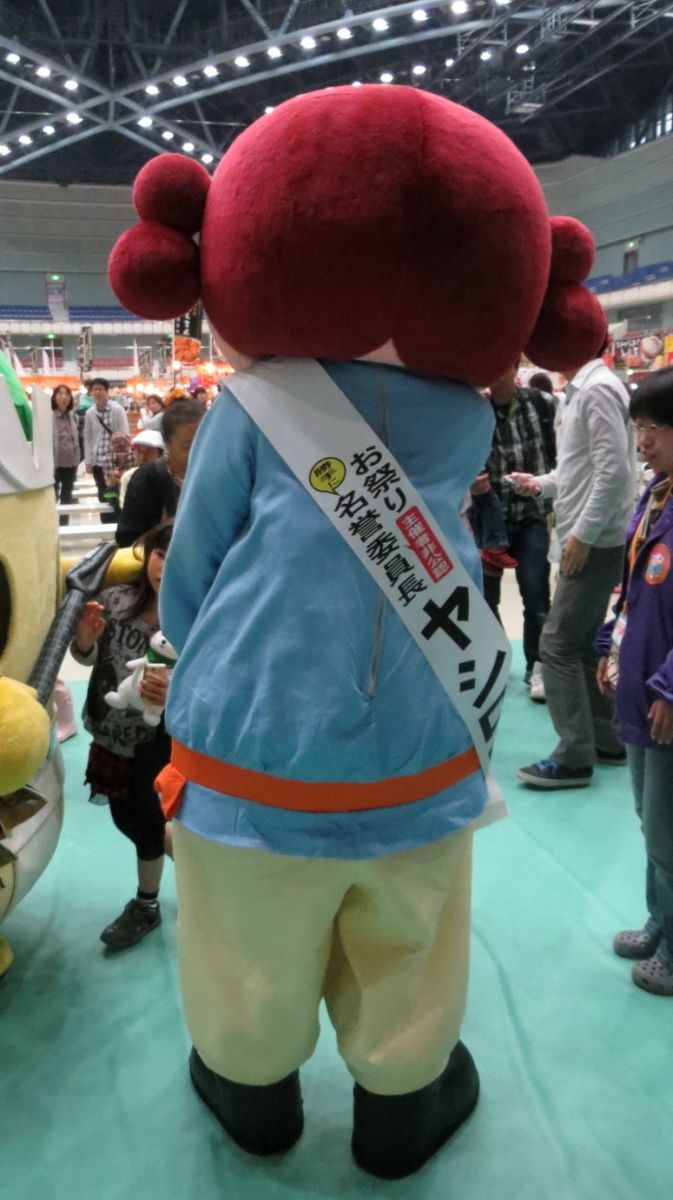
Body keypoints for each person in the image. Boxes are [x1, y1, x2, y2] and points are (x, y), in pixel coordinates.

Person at [109, 88, 606, 1178]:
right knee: (410, 933)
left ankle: (251, 1087)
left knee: (246, 937)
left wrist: (211, 665)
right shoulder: (465, 416)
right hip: (421, 738)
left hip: (257, 743)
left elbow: (194, 578)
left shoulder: (248, 409)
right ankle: (402, 1099)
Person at [513, 344, 636, 788]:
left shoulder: (596, 390)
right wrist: (539, 485)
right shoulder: (582, 390)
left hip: (594, 540)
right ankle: (606, 738)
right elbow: (580, 471)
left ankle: (574, 756)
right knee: (581, 644)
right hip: (591, 535)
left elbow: (613, 473)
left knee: (557, 644)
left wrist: (583, 534)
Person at [595, 368, 673, 996]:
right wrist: (609, 644)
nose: (641, 442)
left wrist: (671, 687)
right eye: (638, 428)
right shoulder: (655, 497)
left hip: (666, 697)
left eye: (653, 429)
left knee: (669, 828)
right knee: (651, 821)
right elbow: (630, 586)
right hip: (639, 685)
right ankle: (659, 921)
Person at [70, 523, 173, 952]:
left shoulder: (195, 618)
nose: (165, 567)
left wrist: (171, 694)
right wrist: (84, 641)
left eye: (178, 558)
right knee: (125, 817)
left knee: (146, 822)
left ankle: (147, 904)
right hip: (108, 731)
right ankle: (189, 857)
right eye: (161, 555)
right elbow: (88, 658)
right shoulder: (116, 600)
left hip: (156, 742)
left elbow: (211, 683)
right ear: (148, 555)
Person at [479, 362, 557, 702]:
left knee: (536, 593)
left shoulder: (541, 404)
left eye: (503, 368)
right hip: (488, 520)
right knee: (486, 598)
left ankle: (537, 667)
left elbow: (563, 452)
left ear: (515, 369)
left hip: (531, 515)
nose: (496, 376)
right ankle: (494, 662)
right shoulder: (477, 410)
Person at [116, 398, 204, 546]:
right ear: (167, 443)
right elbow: (127, 540)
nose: (200, 451)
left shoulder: (221, 476)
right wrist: (162, 533)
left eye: (206, 442)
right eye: (188, 446)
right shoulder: (147, 480)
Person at [83, 377, 129, 523]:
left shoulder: (117, 409)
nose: (97, 392)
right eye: (94, 389)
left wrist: (124, 457)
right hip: (98, 461)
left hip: (114, 460)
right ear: (91, 392)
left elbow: (124, 432)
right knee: (103, 493)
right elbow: (88, 438)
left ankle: (119, 523)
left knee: (117, 491)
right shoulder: (90, 413)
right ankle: (106, 524)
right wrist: (89, 461)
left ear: (107, 391)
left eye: (100, 389)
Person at [51, 384, 80, 524]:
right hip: (54, 463)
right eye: (60, 394)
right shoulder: (49, 416)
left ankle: (64, 524)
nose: (64, 397)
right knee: (52, 495)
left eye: (67, 394)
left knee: (67, 495)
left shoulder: (72, 416)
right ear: (54, 397)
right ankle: (51, 524)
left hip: (71, 462)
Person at [119, 428, 164, 507]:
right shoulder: (128, 477)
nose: (142, 457)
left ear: (160, 455)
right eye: (139, 451)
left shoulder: (167, 478)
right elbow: (125, 507)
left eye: (149, 452)